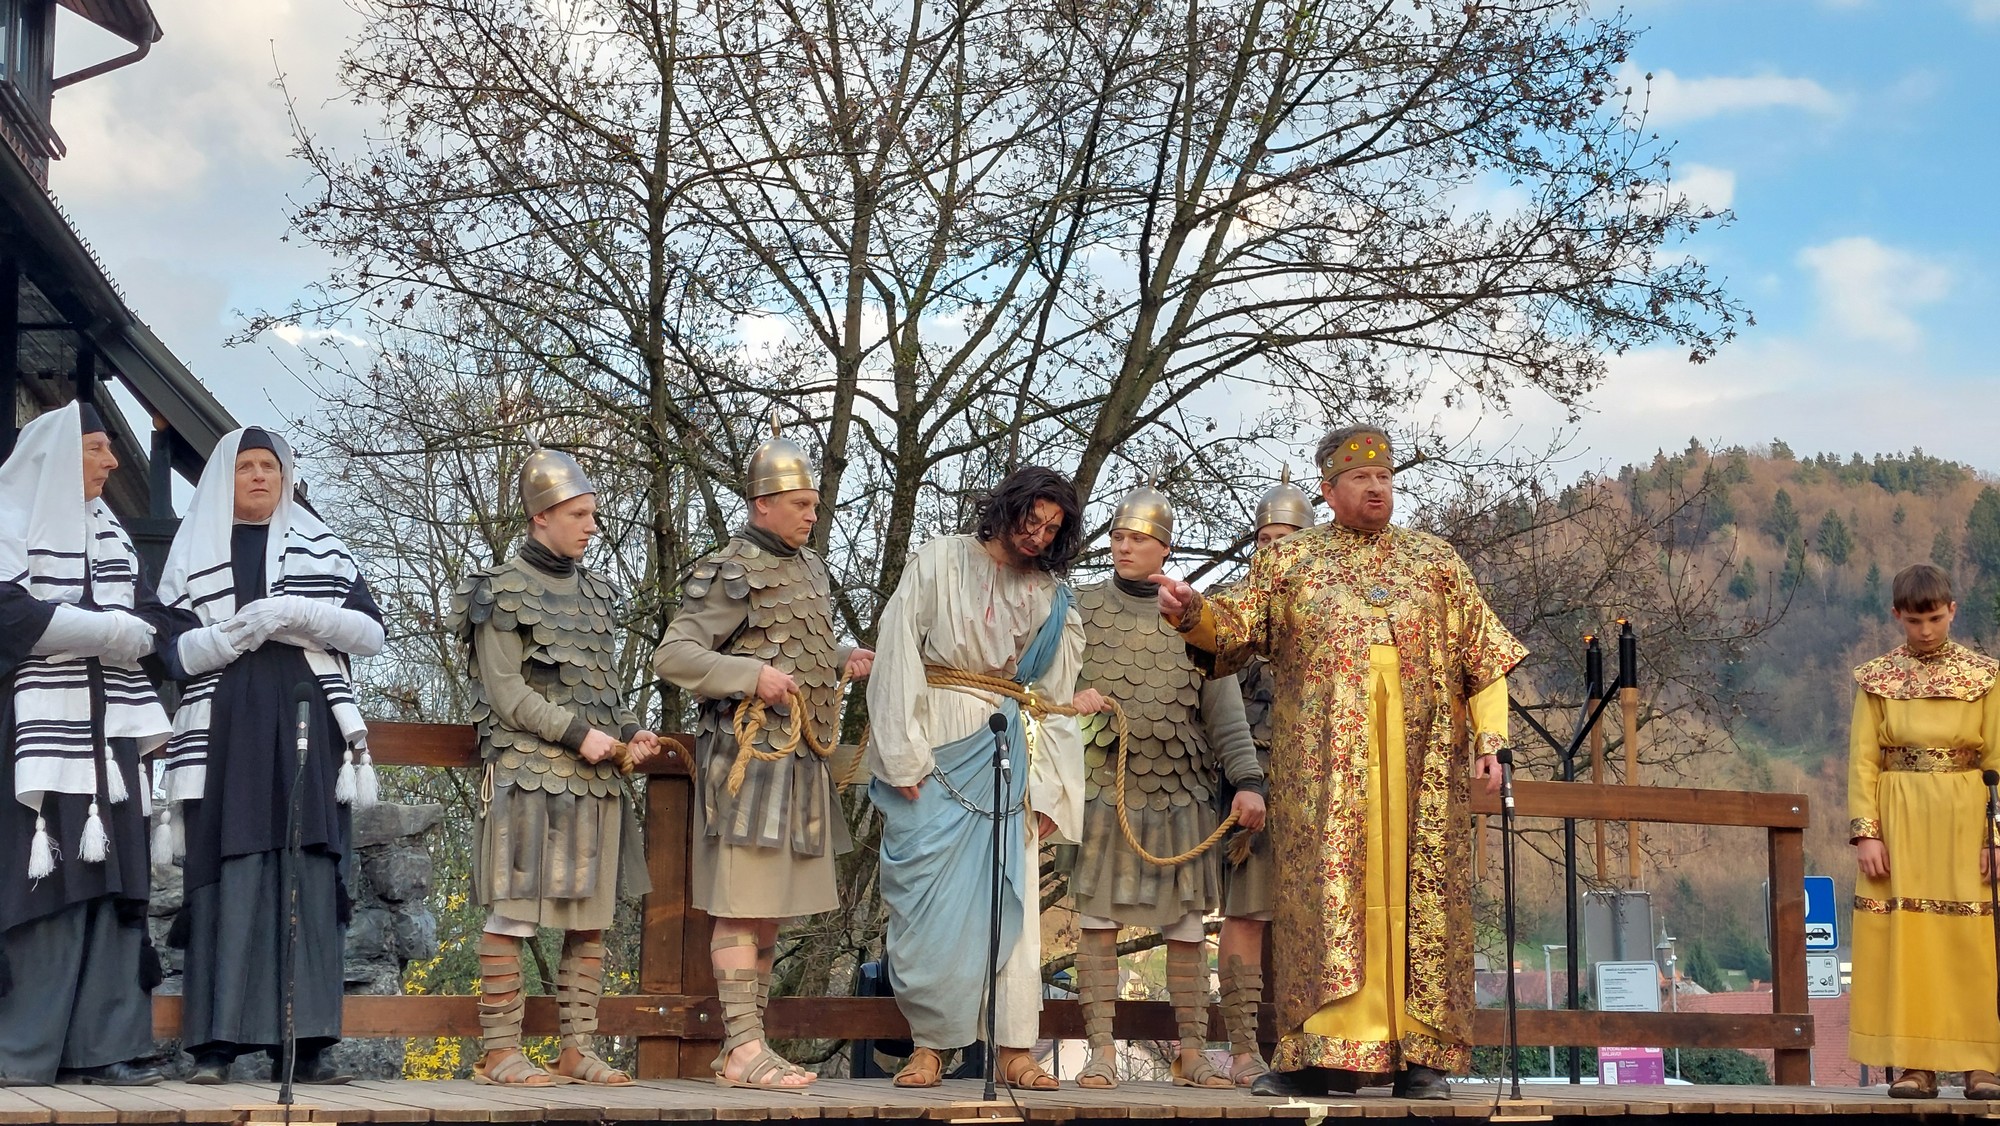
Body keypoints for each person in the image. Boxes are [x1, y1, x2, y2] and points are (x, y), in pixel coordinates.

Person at [1151, 426, 1523, 1101]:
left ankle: (1421, 1056)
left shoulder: (1435, 561)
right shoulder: (1291, 562)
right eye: (1360, 478)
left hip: (1422, 774)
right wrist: (1191, 614)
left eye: (1384, 477)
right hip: (1323, 774)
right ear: (1328, 490)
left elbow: (1484, 657)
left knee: (1419, 899)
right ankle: (1320, 1055)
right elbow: (1234, 632)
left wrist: (1490, 739)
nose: (1376, 488)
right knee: (1325, 901)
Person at [157, 426, 387, 1085]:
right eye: (247, 466)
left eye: (270, 466)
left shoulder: (322, 546)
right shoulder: (192, 551)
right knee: (227, 875)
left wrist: (295, 615)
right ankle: (215, 1048)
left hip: (309, 724)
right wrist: (233, 635)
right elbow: (169, 651)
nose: (260, 476)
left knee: (308, 869)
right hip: (225, 732)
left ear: (285, 477)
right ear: (225, 478)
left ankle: (308, 1045)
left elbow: (371, 632)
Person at [652, 422, 873, 1089]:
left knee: (769, 909)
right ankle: (744, 1049)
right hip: (746, 765)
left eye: (814, 504)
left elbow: (791, 644)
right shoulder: (728, 569)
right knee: (742, 905)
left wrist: (840, 657)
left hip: (798, 764)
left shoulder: (812, 568)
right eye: (800, 504)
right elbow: (674, 655)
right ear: (762, 505)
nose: (812, 514)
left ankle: (744, 1047)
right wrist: (750, 678)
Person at [865, 466, 1090, 1091]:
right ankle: (930, 1046)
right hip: (932, 746)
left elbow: (1056, 700)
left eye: (1052, 529)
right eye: (1032, 520)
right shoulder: (938, 561)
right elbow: (896, 653)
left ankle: (1014, 1049)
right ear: (1007, 508)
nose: (1038, 536)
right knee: (928, 909)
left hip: (1005, 751)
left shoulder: (1052, 600)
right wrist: (901, 756)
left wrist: (1051, 792)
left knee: (1010, 900)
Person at [449, 445, 662, 1086]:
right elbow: (506, 694)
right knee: (513, 916)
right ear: (541, 516)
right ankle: (499, 1054)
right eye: (578, 514)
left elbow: (604, 692)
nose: (592, 526)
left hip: (593, 780)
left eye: (593, 514)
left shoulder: (597, 595)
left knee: (589, 922)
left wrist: (631, 731)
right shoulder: (497, 591)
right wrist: (578, 735)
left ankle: (576, 1050)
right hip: (526, 774)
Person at [1065, 482, 1266, 1091]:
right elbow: (1040, 687)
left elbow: (1226, 716)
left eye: (1137, 538)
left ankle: (1192, 1053)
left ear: (1164, 548)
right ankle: (1100, 1052)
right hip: (1103, 789)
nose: (1123, 547)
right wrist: (1067, 700)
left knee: (1185, 928)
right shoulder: (1077, 609)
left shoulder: (1195, 619)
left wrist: (1248, 781)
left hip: (1183, 793)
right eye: (1117, 536)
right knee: (1097, 920)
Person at [0, 402, 178, 1086]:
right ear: (54, 455)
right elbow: (10, 615)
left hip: (113, 741)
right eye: (97, 447)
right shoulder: (9, 520)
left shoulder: (112, 536)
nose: (112, 461)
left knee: (113, 884)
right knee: (43, 880)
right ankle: (21, 1052)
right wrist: (110, 632)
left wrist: (133, 630)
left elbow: (155, 617)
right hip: (32, 736)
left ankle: (105, 1049)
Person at [1847, 563, 2000, 1100]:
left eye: (1935, 618)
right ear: (1897, 616)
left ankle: (1982, 1064)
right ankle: (1917, 1065)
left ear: (1952, 610)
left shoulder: (1985, 676)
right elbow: (1863, 761)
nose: (1927, 630)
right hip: (1900, 820)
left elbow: (1998, 761)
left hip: (1966, 817)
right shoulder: (1877, 679)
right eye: (1915, 621)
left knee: (1972, 941)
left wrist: (1996, 838)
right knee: (1909, 941)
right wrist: (1867, 832)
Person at [1213, 466, 1314, 1087]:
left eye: (1286, 539)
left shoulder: (1334, 609)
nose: (1273, 549)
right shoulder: (1233, 609)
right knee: (1247, 914)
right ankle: (1244, 1048)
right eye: (1264, 539)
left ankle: (1322, 1048)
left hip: (1323, 787)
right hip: (1252, 783)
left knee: (1319, 919)